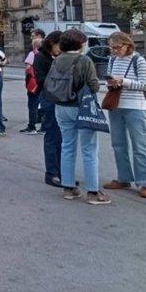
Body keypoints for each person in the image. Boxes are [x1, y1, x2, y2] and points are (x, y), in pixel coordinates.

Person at [51, 29, 109, 205]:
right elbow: (94, 86)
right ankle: (92, 192)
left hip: (61, 107)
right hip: (81, 107)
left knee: (67, 146)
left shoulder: (57, 60)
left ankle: (68, 188)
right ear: (79, 44)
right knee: (89, 149)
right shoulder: (84, 60)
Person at [102, 32, 146, 199]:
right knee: (118, 144)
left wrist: (123, 81)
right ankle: (123, 178)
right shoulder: (112, 60)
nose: (115, 50)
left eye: (118, 47)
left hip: (135, 107)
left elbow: (145, 85)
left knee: (140, 146)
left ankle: (145, 183)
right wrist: (110, 82)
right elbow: (108, 81)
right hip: (116, 105)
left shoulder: (138, 60)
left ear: (128, 45)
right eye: (112, 47)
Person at [34, 31, 63, 187]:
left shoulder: (59, 57)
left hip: (61, 100)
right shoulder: (41, 58)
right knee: (52, 136)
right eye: (60, 45)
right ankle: (51, 173)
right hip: (49, 100)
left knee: (62, 138)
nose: (62, 48)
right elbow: (41, 81)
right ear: (52, 43)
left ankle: (63, 172)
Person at [22, 29, 45, 135]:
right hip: (44, 83)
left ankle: (32, 126)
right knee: (44, 105)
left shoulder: (32, 54)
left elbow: (28, 68)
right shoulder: (47, 54)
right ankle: (44, 127)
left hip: (34, 83)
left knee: (33, 105)